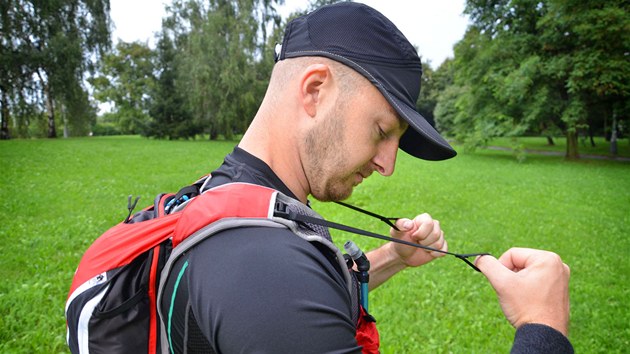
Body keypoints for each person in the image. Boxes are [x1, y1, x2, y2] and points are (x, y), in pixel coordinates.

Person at [159, 3, 573, 353]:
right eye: (381, 131)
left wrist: (394, 256)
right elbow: (290, 293)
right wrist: (542, 327)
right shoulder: (268, 273)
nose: (388, 165)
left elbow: (309, 291)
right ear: (315, 90)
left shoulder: (227, 192)